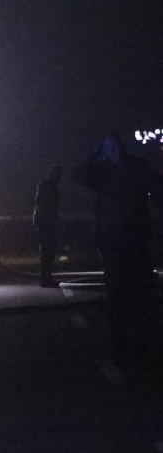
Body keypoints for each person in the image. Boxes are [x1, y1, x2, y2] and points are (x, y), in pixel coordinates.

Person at [71, 133, 163, 361]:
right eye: (107, 147)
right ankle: (121, 342)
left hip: (135, 238)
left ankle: (141, 341)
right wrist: (93, 155)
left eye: (113, 146)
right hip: (113, 240)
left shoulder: (135, 167)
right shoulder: (101, 172)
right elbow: (77, 175)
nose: (111, 151)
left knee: (139, 293)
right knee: (117, 294)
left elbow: (158, 189)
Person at [33, 164, 63, 287]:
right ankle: (45, 278)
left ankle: (46, 277)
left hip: (47, 222)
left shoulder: (50, 186)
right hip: (45, 223)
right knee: (47, 251)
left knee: (49, 251)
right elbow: (40, 204)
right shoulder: (46, 186)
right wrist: (46, 221)